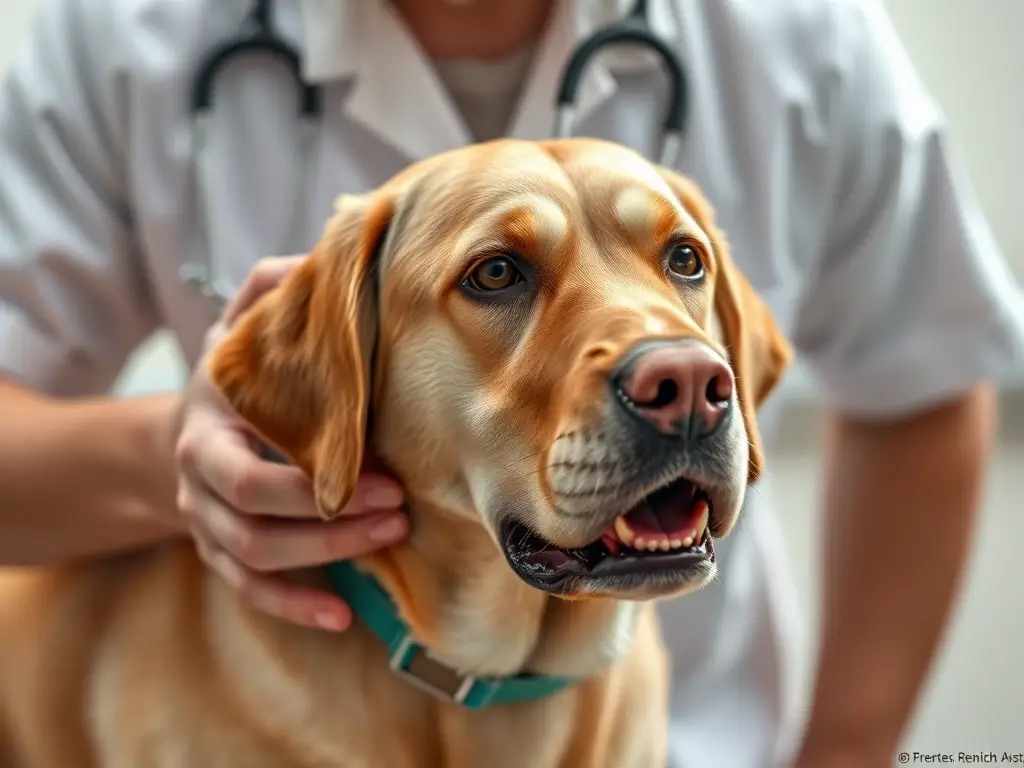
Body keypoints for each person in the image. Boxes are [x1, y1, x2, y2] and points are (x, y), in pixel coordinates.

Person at [1, 0, 1021, 765]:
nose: (682, 380)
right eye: (497, 273)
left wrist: (843, 755)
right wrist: (166, 457)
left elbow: (924, 369)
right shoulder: (118, 32)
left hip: (677, 731)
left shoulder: (798, 34)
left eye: (679, 263)